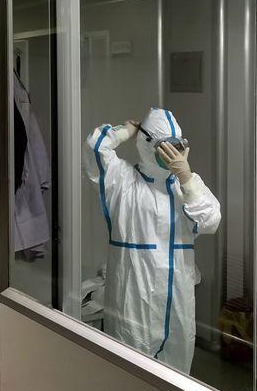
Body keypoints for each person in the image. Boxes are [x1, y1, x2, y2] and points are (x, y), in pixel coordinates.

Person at [84, 108, 221, 374]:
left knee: (177, 375)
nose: (172, 153)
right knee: (130, 374)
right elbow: (94, 147)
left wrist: (186, 179)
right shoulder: (122, 180)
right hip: (134, 299)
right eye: (164, 146)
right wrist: (124, 132)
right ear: (147, 144)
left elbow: (210, 221)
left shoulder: (187, 184)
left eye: (177, 146)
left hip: (177, 299)